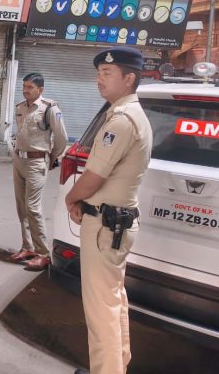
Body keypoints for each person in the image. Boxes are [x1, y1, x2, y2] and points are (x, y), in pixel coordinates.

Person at [65, 47, 152, 374]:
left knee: (101, 310)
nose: (99, 80)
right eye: (99, 73)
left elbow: (94, 177)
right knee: (112, 301)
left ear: (129, 79)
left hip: (105, 226)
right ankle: (116, 366)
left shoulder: (122, 120)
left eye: (107, 74)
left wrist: (71, 198)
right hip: (114, 224)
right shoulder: (129, 114)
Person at [10, 72, 68, 271]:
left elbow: (61, 138)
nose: (25, 90)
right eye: (24, 86)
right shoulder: (20, 107)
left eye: (30, 87)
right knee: (21, 207)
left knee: (33, 208)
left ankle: (43, 253)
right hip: (19, 160)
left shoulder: (50, 109)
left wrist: (51, 158)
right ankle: (27, 247)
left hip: (36, 162)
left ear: (40, 89)